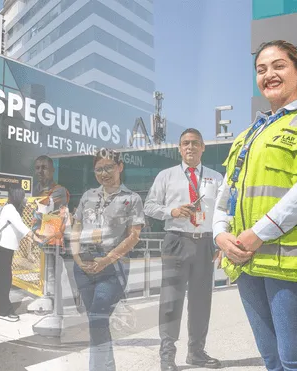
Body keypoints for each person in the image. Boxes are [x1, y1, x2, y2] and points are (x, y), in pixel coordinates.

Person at [212, 40, 297, 371]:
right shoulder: (247, 135)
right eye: (261, 69)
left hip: (293, 260)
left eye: (278, 66)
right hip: (247, 260)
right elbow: (227, 191)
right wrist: (219, 233)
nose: (269, 74)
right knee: (273, 361)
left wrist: (257, 233)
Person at [144, 128, 223, 371]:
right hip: (176, 241)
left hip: (205, 242)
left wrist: (219, 241)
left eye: (195, 143)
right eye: (185, 143)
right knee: (171, 300)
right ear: (179, 149)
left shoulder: (215, 177)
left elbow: (222, 211)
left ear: (203, 148)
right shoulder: (166, 176)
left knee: (201, 301)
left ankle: (196, 353)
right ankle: (167, 357)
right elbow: (149, 206)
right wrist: (172, 211)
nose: (190, 147)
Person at [70, 148, 144, 371]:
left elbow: (134, 236)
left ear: (120, 167)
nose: (104, 173)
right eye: (99, 169)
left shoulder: (131, 199)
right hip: (83, 266)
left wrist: (105, 261)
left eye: (109, 167)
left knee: (97, 317)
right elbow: (76, 228)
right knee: (96, 321)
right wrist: (76, 257)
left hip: (113, 267)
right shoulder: (87, 196)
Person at [0, 185, 45, 322]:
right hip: (1, 248)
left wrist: (32, 238)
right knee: (5, 280)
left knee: (1, 277)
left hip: (5, 248)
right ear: (18, 197)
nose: (25, 199)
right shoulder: (10, 209)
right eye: (23, 196)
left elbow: (18, 231)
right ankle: (4, 312)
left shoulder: (14, 210)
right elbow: (21, 227)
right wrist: (35, 237)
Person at [32, 155, 71, 299]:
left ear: (52, 170)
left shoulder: (59, 190)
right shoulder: (35, 189)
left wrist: (33, 206)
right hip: (39, 237)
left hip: (52, 239)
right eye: (37, 168)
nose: (40, 171)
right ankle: (48, 296)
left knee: (51, 270)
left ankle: (52, 300)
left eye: (44, 168)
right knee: (43, 269)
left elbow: (43, 207)